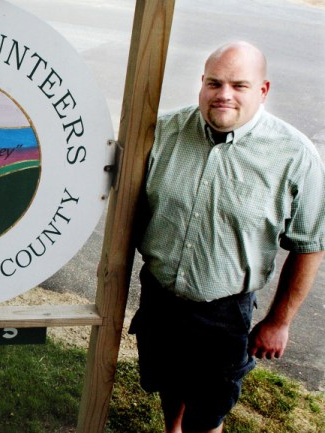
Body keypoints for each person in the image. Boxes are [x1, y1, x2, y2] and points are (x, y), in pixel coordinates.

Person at [130, 41, 325, 433]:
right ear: (201, 82)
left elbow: (309, 244)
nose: (224, 95)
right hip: (160, 297)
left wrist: (279, 321)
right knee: (168, 381)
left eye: (239, 85)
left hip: (223, 310)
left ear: (263, 90)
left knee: (210, 405)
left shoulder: (294, 156)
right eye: (215, 83)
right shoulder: (163, 133)